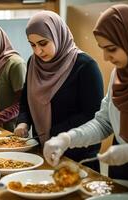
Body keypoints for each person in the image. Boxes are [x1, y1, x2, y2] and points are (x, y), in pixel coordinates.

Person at [43, 4, 128, 198]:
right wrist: (67, 139)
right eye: (102, 48)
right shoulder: (119, 74)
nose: (105, 57)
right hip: (121, 176)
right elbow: (103, 122)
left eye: (112, 49)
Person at [14, 11, 104, 171]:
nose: (38, 51)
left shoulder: (85, 66)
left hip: (79, 154)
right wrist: (23, 122)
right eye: (32, 45)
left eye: (43, 43)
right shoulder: (33, 63)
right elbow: (25, 100)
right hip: (44, 149)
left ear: (58, 35)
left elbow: (93, 115)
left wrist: (54, 132)